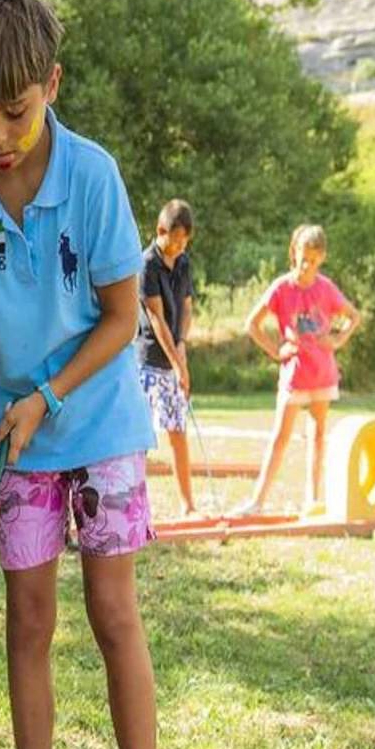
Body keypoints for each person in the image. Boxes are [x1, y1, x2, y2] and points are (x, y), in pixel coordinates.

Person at [0, 0, 171, 749]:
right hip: (16, 445)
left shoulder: (94, 175)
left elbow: (121, 319)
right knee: (27, 620)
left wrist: (48, 397)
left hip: (98, 421)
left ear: (52, 86)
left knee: (114, 614)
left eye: (16, 112)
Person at [231, 224, 362, 516]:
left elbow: (354, 316)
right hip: (295, 376)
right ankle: (257, 502)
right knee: (280, 437)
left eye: (314, 261)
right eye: (303, 258)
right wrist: (276, 351)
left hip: (322, 375)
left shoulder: (326, 288)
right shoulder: (281, 288)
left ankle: (312, 499)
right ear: (294, 252)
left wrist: (338, 339)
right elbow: (252, 324)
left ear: (322, 258)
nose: (307, 266)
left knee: (317, 437)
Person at [138, 199, 198, 515]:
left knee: (178, 431)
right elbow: (157, 318)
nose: (178, 246)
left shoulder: (184, 262)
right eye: (174, 240)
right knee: (141, 438)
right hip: (148, 361)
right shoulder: (147, 264)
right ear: (161, 230)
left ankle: (188, 504)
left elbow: (185, 308)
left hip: (175, 355)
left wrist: (183, 346)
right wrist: (177, 364)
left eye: (184, 241)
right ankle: (138, 507)